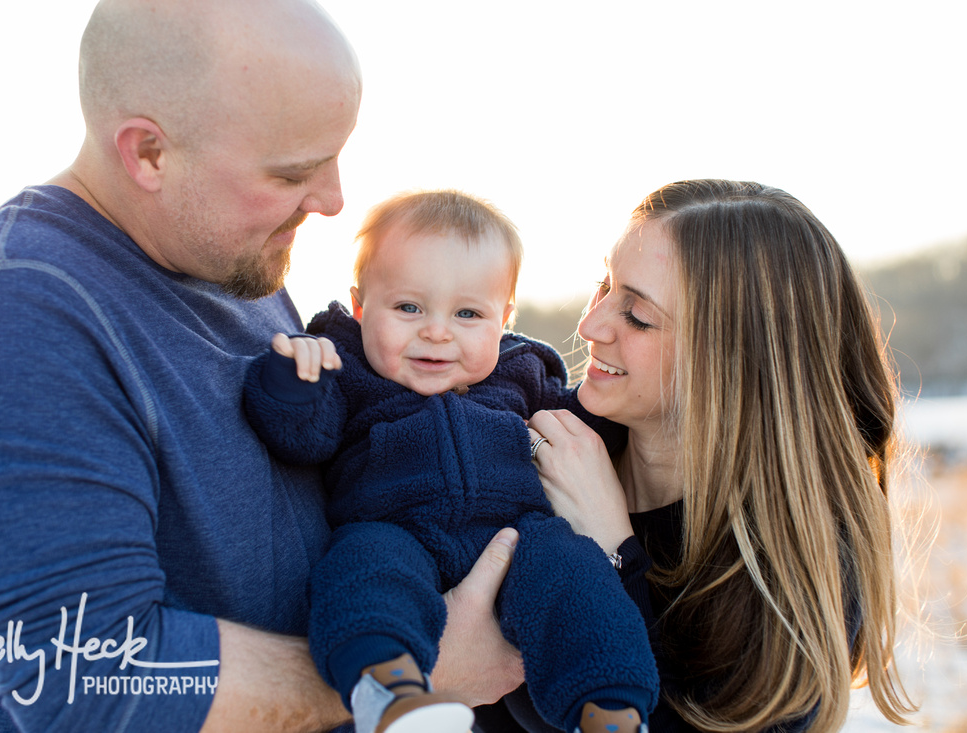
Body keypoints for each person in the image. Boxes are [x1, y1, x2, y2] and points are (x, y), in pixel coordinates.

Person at [0, 1, 523, 731]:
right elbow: (88, 677)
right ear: (150, 153)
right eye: (295, 172)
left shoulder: (231, 258)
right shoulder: (10, 310)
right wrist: (418, 672)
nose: (332, 199)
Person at [508, 179, 918, 732]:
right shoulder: (543, 434)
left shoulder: (797, 555)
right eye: (604, 286)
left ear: (733, 360)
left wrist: (610, 550)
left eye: (637, 316)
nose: (590, 325)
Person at [242, 190, 658, 733]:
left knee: (575, 575)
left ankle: (609, 711)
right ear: (362, 305)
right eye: (409, 307)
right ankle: (389, 693)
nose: (437, 331)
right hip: (396, 529)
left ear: (502, 318)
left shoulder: (523, 374)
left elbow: (580, 424)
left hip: (518, 538)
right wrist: (292, 384)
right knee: (363, 570)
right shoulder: (344, 369)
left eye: (467, 313)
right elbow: (304, 437)